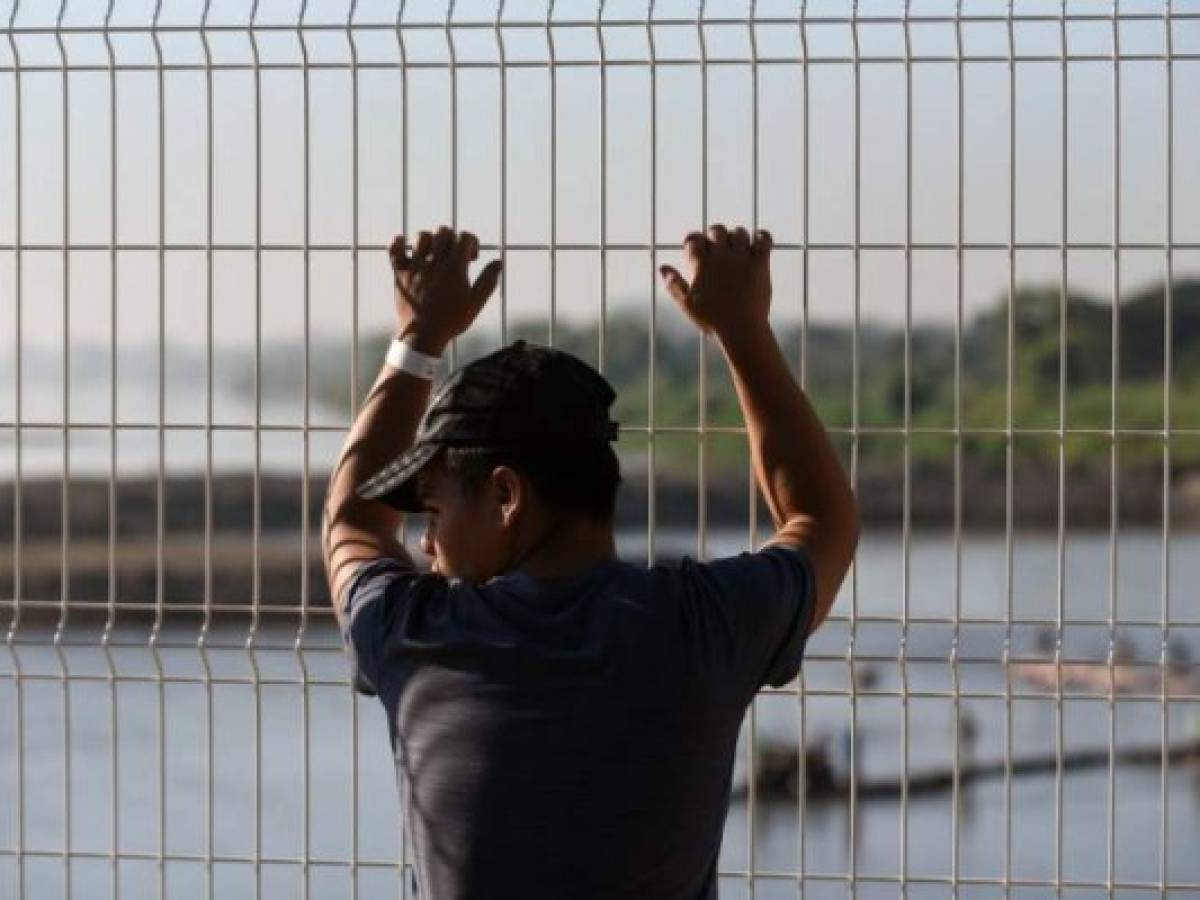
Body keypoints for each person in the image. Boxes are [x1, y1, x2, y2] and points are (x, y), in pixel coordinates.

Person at [322, 223, 859, 899]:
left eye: (432, 511)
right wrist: (743, 330)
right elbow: (823, 519)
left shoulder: (419, 635)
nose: (427, 547)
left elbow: (350, 518)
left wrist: (420, 337)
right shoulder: (701, 626)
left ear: (506, 496)